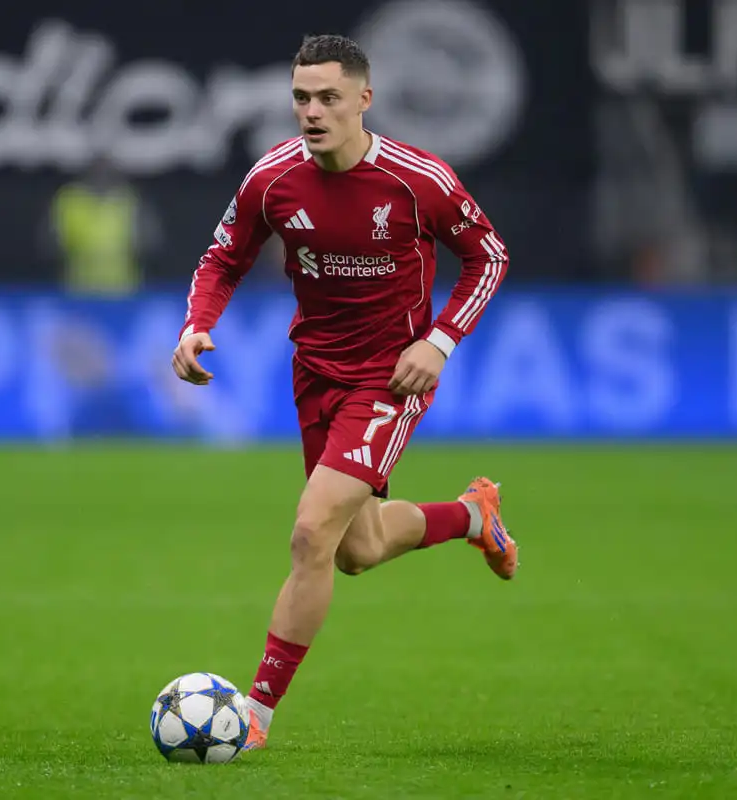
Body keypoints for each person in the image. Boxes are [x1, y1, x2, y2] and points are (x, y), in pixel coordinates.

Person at [171, 34, 519, 751]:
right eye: (301, 97)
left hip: (391, 376)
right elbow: (222, 256)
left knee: (310, 531)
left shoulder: (415, 179)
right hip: (316, 374)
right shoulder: (272, 180)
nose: (312, 111)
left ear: (364, 99)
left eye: (329, 97)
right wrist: (196, 326)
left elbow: (488, 254)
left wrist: (440, 341)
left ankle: (253, 718)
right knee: (355, 548)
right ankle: (471, 515)